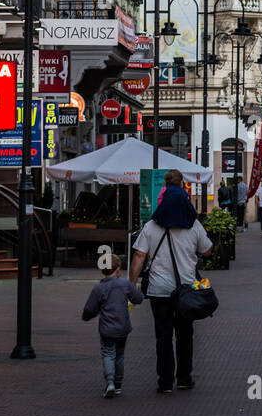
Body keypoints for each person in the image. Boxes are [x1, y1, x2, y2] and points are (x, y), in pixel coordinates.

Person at [129, 170, 213, 393]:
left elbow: (139, 256)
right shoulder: (193, 224)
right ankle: (184, 378)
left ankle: (164, 381)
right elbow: (207, 250)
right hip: (186, 289)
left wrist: (132, 284)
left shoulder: (151, 226)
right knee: (185, 334)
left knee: (163, 336)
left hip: (159, 290)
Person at [81, 253, 144, 398]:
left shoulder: (99, 288)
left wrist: (86, 317)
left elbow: (90, 309)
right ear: (118, 269)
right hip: (123, 328)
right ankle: (118, 384)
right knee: (120, 355)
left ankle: (110, 382)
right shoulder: (125, 284)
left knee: (108, 353)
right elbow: (138, 298)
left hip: (107, 329)